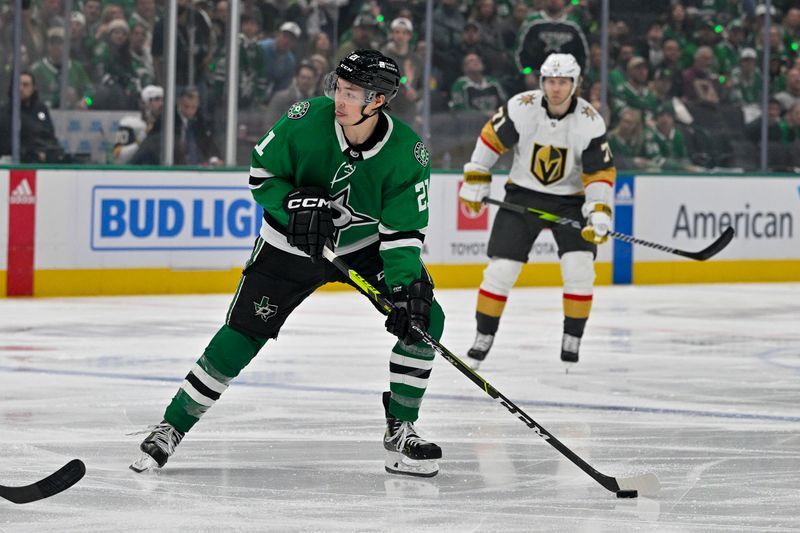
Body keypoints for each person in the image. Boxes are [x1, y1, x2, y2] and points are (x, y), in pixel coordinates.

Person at [130, 49, 445, 478]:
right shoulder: (304, 119)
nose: (340, 97)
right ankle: (173, 425)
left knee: (424, 316)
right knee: (243, 331)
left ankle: (400, 431)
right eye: (340, 86)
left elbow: (402, 235)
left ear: (378, 101)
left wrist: (406, 289)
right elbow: (261, 174)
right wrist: (290, 205)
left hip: (365, 248)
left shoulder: (408, 153)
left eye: (353, 92)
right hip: (289, 245)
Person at [458, 53, 616, 370]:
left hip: (570, 199)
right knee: (501, 271)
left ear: (575, 84)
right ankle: (483, 336)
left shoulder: (590, 121)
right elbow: (490, 140)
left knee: (580, 270)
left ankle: (573, 340)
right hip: (523, 195)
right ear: (542, 81)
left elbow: (599, 172)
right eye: (550, 81)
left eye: (563, 82)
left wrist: (599, 210)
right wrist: (476, 176)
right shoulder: (522, 106)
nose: (555, 88)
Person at [0, 71, 68, 163]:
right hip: (14, 159)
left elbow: (48, 135)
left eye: (26, 85)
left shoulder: (40, 109)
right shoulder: (5, 112)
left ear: (33, 88)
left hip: (41, 158)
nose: (21, 88)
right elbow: (6, 143)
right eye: (18, 84)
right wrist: (31, 153)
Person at [110, 84, 163, 164]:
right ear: (146, 103)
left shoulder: (167, 125)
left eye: (162, 99)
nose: (161, 103)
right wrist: (139, 142)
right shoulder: (129, 123)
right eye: (156, 99)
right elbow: (118, 156)